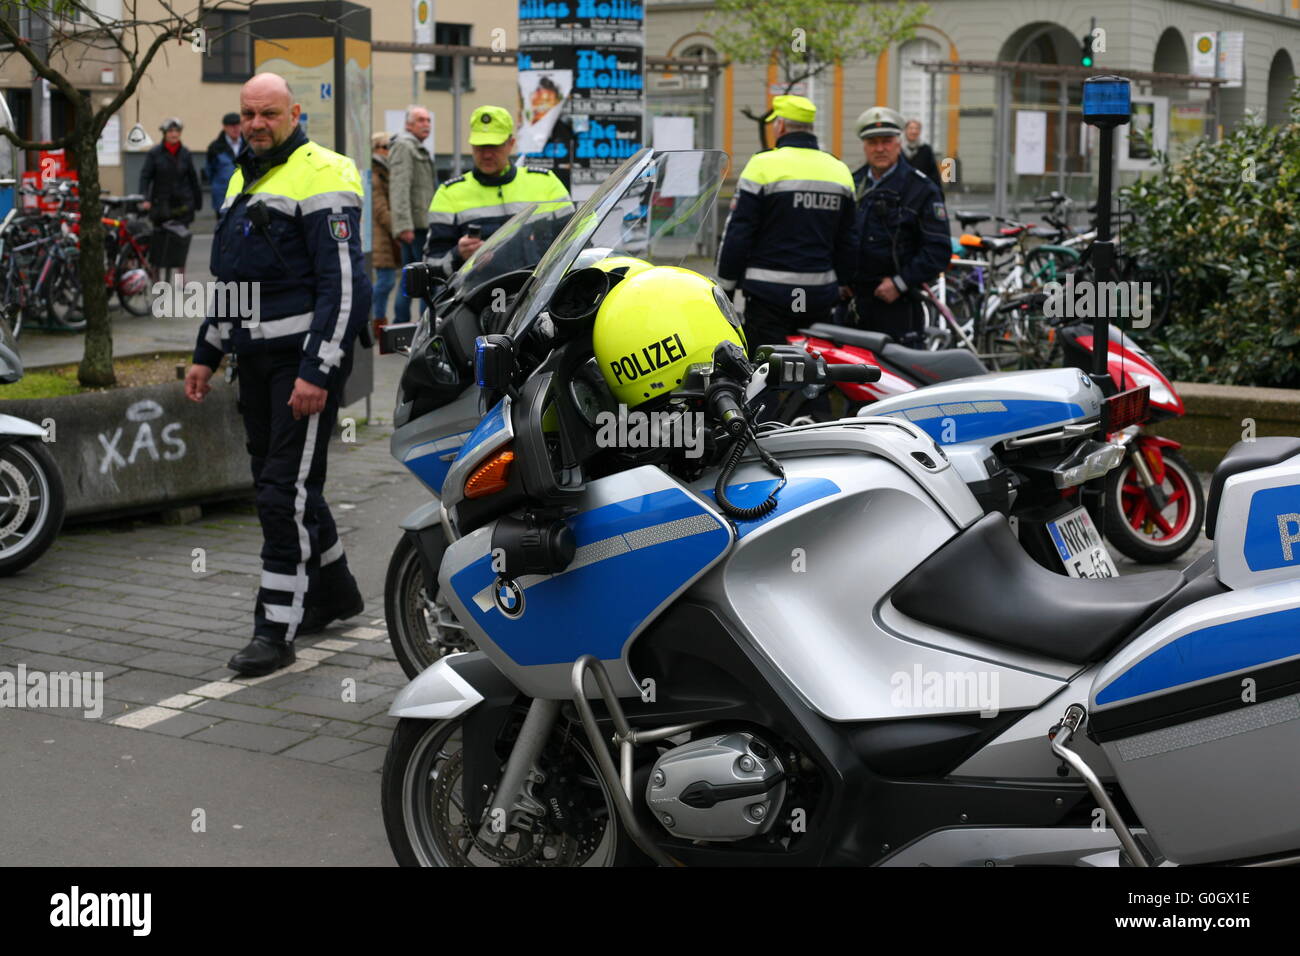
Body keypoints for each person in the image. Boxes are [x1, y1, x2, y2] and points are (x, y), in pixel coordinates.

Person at [183, 73, 372, 677]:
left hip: (300, 368)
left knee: (278, 495)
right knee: (287, 486)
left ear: (294, 112)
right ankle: (335, 591)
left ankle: (275, 627)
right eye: (247, 113)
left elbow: (344, 287)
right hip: (255, 365)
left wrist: (318, 370)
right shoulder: (244, 175)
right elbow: (233, 283)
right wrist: (205, 354)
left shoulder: (328, 173)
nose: (256, 123)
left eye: (268, 113)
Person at [714, 94, 856, 358]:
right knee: (814, 374)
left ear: (779, 126)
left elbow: (738, 234)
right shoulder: (839, 170)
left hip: (770, 297)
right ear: (811, 127)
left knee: (768, 374)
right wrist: (844, 284)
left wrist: (725, 287)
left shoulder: (762, 166)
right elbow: (848, 239)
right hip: (817, 296)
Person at [424, 105, 570, 277]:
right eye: (480, 147)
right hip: (477, 299)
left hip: (538, 297)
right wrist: (458, 255)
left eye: (494, 147)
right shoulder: (448, 193)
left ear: (511, 144)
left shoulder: (546, 183)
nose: (486, 155)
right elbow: (431, 266)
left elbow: (577, 242)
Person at [851, 106, 950, 343]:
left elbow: (938, 251)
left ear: (898, 143)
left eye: (887, 141)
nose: (880, 148)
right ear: (865, 146)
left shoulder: (921, 189)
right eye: (873, 142)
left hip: (897, 306)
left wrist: (900, 283)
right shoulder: (851, 183)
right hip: (854, 305)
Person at [387, 106, 436, 322]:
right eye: (420, 120)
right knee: (424, 281)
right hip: (415, 227)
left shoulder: (414, 147)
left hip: (419, 224)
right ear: (408, 125)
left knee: (410, 280)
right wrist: (404, 225)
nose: (426, 124)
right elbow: (399, 187)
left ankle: (403, 327)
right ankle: (422, 329)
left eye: (428, 119)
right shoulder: (404, 147)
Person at [371, 131, 401, 325]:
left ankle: (377, 319)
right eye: (385, 147)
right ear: (375, 149)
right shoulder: (375, 174)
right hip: (380, 236)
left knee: (388, 281)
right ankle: (376, 320)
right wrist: (398, 227)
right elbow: (380, 209)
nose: (389, 151)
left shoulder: (387, 171)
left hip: (386, 236)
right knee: (386, 281)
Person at [204, 112, 244, 217]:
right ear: (225, 127)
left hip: (244, 195)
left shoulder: (248, 144)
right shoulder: (215, 147)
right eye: (232, 126)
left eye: (238, 125)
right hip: (222, 196)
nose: (236, 129)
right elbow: (209, 171)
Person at [902, 119, 943, 191]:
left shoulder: (926, 149)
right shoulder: (897, 149)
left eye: (917, 129)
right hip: (901, 190)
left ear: (920, 131)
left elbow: (933, 173)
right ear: (905, 130)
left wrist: (938, 192)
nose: (914, 131)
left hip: (921, 191)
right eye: (911, 128)